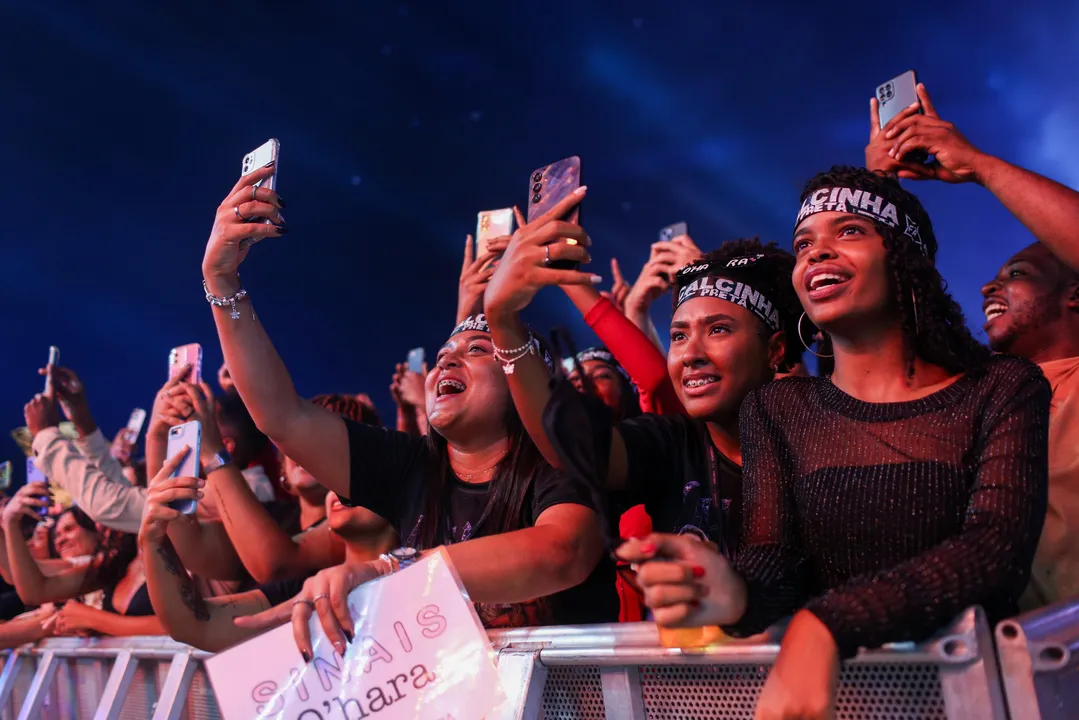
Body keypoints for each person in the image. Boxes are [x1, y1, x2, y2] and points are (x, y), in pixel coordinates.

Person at [622, 166, 1051, 719]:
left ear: (904, 260)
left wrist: (827, 624)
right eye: (804, 243)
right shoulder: (778, 409)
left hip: (980, 700)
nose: (817, 254)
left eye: (848, 231)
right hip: (836, 705)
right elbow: (776, 561)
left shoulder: (1002, 387)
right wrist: (729, 590)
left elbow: (995, 552)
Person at [196, 165, 614, 653]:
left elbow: (561, 553)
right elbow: (282, 417)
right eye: (444, 355)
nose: (449, 358)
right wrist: (221, 279)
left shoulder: (560, 466)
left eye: (478, 349)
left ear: (525, 380)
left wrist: (392, 570)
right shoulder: (414, 468)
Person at [139, 457, 393, 653]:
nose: (341, 488)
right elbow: (193, 624)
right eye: (334, 480)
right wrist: (154, 541)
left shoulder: (426, 571)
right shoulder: (305, 589)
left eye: (361, 477)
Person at [982, 243, 1079, 608]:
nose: (987, 288)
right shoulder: (976, 399)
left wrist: (990, 180)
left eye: (1017, 273)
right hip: (1013, 654)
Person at [1, 487, 164, 637]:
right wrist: (10, 523)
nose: (60, 540)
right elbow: (33, 591)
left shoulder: (168, 550)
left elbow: (182, 626)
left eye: (69, 529)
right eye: (56, 535)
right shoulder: (110, 566)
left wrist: (94, 619)